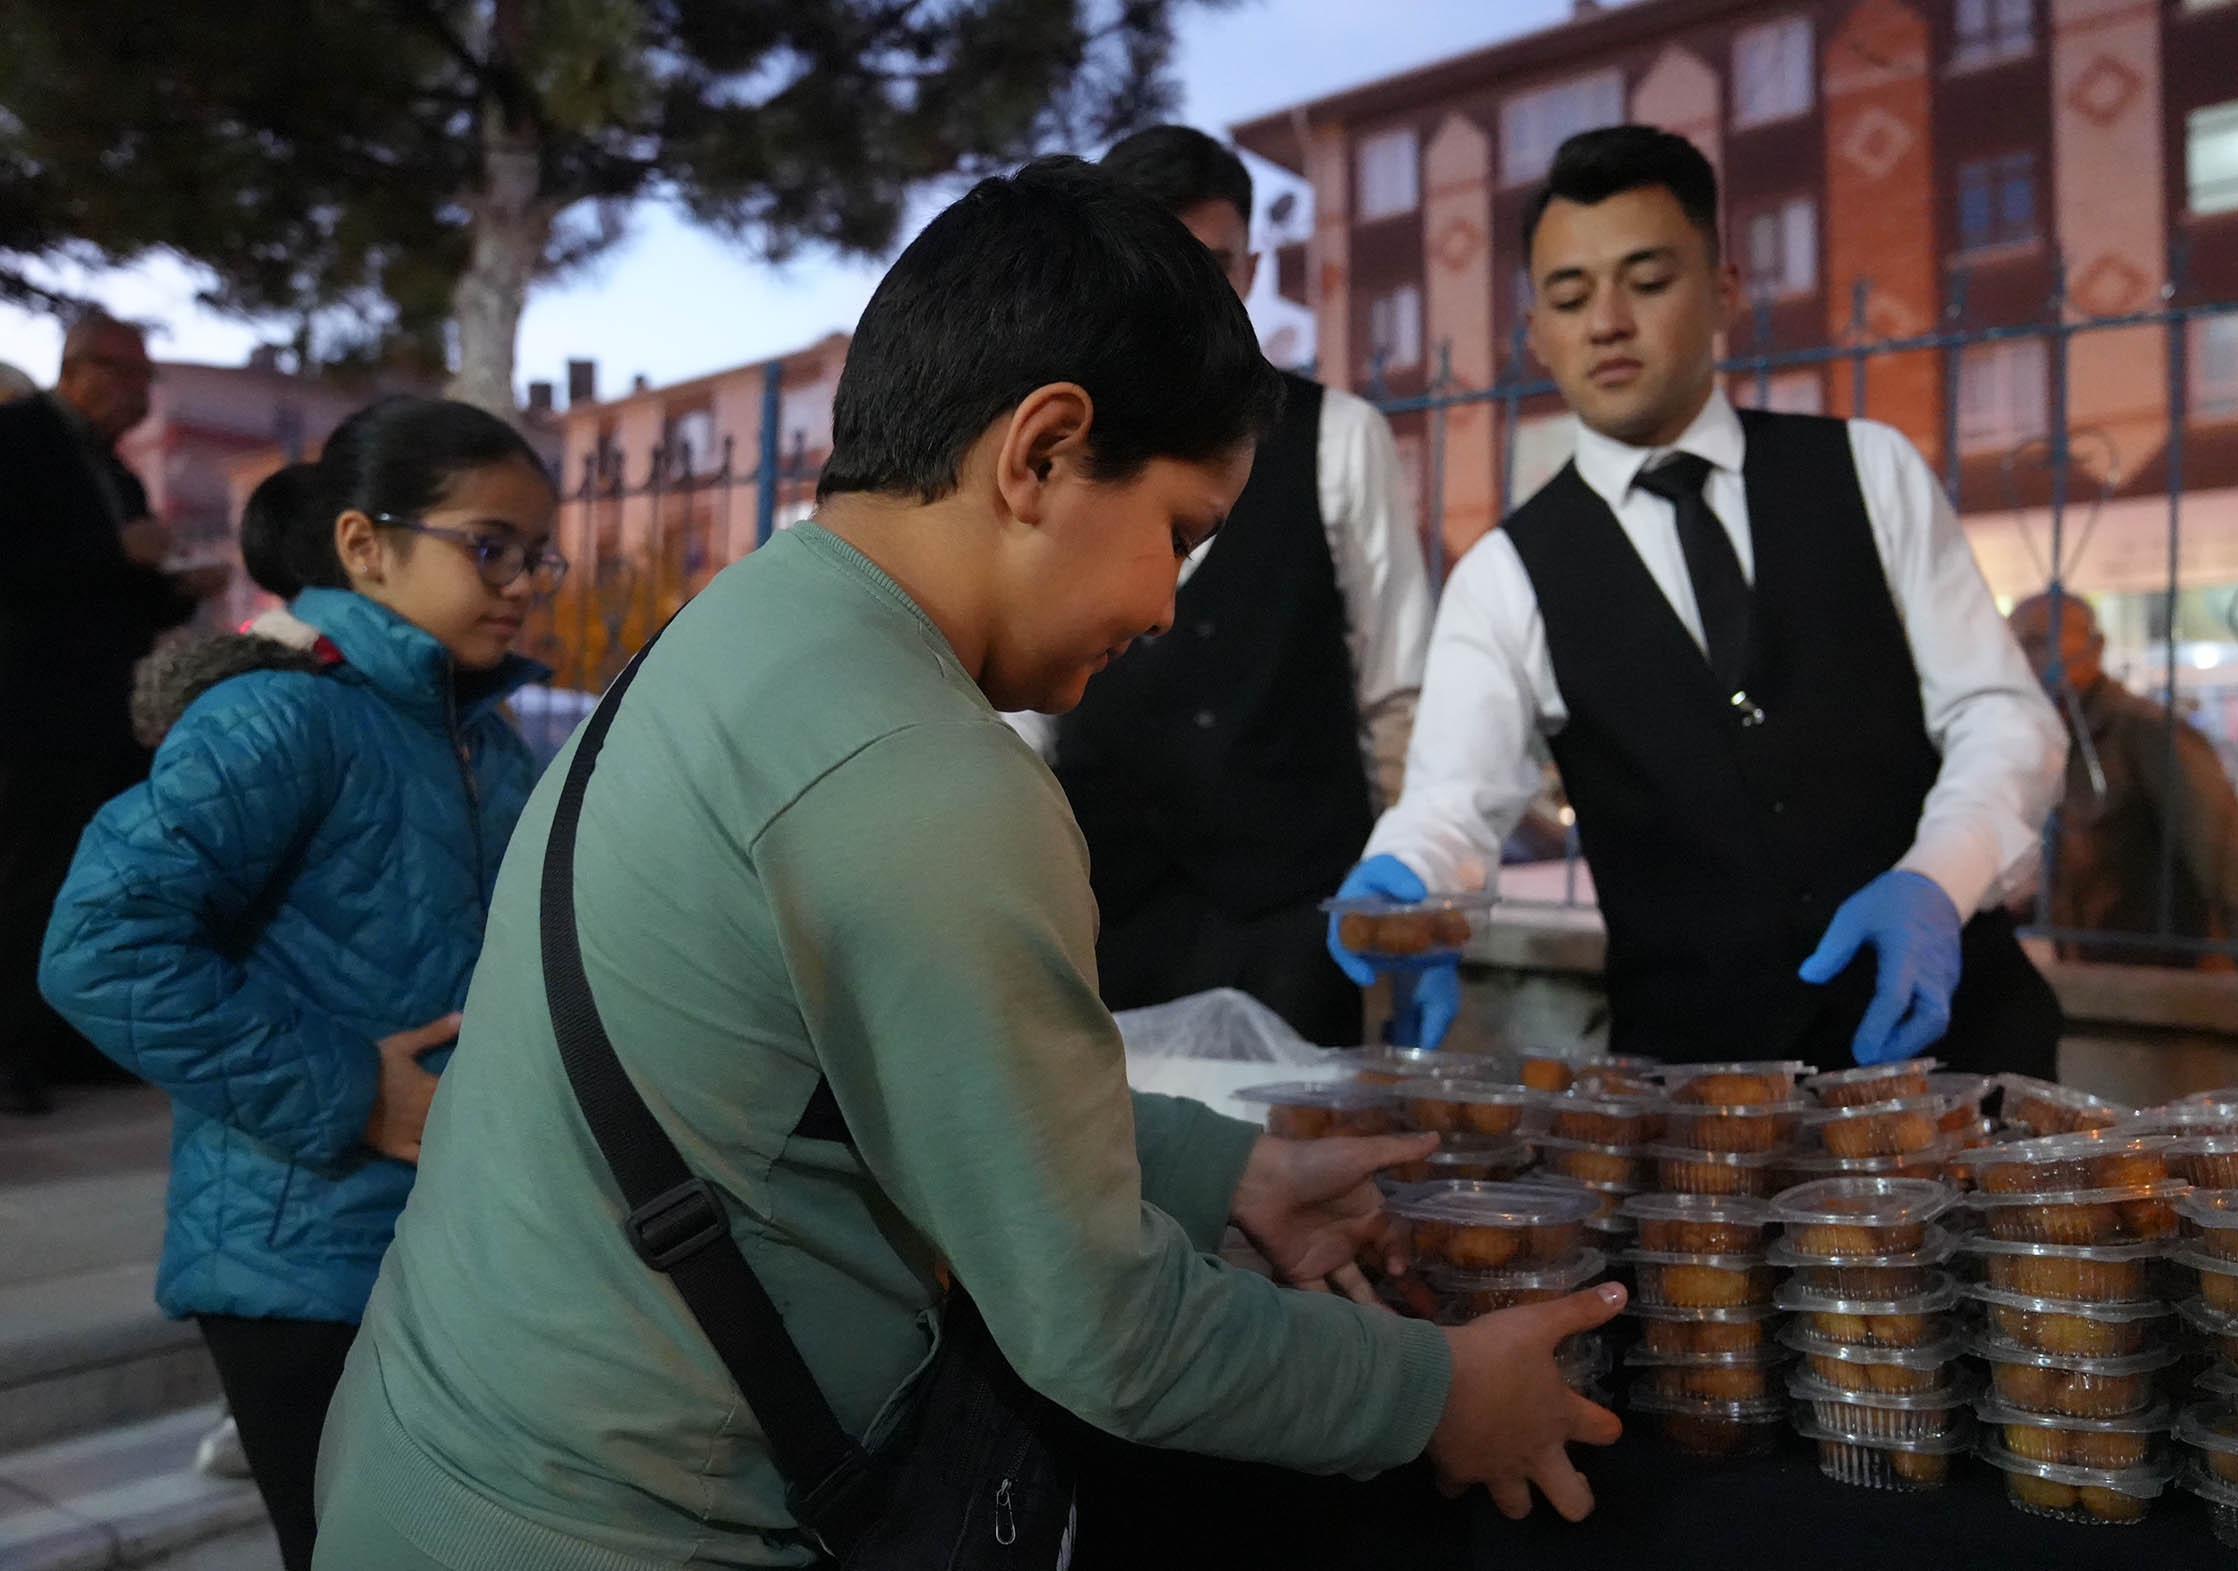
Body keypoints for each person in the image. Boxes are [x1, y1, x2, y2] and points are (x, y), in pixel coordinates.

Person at [310, 158, 1623, 1571]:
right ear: (1043, 452)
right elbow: (1106, 1332)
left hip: (432, 1463)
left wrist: (1218, 1166)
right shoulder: (923, 768)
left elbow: (851, 1087)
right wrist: (1437, 1392)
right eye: (1177, 532)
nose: (1168, 606)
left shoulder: (742, 632)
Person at [1335, 126, 2068, 1075]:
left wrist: (1936, 882)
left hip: (1963, 1050)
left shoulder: (1866, 470)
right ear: (1537, 333)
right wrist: (1408, 881)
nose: (1606, 321)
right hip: (1700, 1106)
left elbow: (2003, 717)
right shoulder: (1506, 572)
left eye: (1646, 282)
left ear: (1725, 290)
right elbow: (1453, 798)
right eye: (1569, 295)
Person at [37, 395, 560, 1571]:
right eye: (490, 544)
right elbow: (100, 945)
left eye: (538, 552)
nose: (523, 578)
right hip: (298, 1262)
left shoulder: (486, 739)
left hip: (443, 1243)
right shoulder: (279, 718)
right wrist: (349, 1090)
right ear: (366, 545)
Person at [1004, 125, 1433, 1046]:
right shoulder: (1045, 450)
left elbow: (1400, 696)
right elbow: (1013, 717)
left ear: (1251, 267)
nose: (1195, 294)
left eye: (1218, 264)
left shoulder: (1340, 436)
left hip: (1294, 924)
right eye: (1163, 260)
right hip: (1100, 919)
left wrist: (1398, 903)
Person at [0, 313, 227, 1114]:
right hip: (29, 708)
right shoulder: (17, 440)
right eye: (133, 378)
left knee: (85, 878)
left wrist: (172, 587)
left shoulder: (114, 471)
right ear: (84, 369)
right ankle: (12, 1052)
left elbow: (110, 596)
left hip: (105, 710)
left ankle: (68, 1045)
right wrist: (114, 557)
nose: (142, 396)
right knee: (24, 877)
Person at [2008, 589, 2238, 970]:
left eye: (2038, 642)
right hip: (2101, 977)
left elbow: (2226, 857)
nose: (2023, 658)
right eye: (2014, 645)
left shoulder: (2143, 731)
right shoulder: (2060, 743)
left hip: (2175, 982)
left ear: (2094, 646)